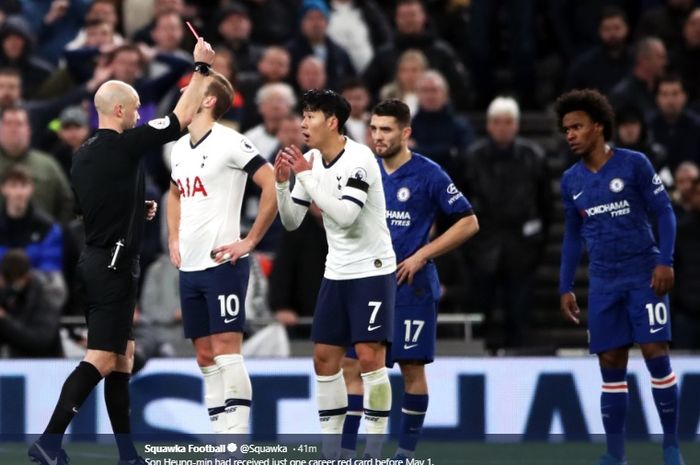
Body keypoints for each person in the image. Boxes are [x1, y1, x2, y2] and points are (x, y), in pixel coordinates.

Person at [28, 37, 215, 465]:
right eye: (132, 109)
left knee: (123, 357)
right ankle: (49, 441)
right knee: (101, 357)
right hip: (113, 264)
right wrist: (201, 68)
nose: (137, 115)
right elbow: (182, 116)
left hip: (101, 259)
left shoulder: (84, 154)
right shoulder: (124, 144)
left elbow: (97, 205)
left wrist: (136, 209)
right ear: (118, 111)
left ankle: (127, 454)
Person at [340, 100, 479, 459]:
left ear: (406, 133)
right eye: (373, 128)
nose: (377, 136)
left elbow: (469, 221)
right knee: (353, 364)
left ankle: (405, 452)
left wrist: (423, 254)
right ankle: (349, 450)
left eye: (386, 129)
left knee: (411, 367)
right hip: (368, 282)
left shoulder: (429, 173)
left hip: (411, 286)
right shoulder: (363, 168)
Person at [556, 89, 685, 465]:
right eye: (566, 129)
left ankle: (671, 446)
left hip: (643, 273)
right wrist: (565, 285)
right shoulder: (570, 180)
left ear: (598, 127)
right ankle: (615, 454)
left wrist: (665, 260)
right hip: (603, 282)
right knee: (610, 362)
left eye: (577, 127)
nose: (570, 135)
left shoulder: (635, 164)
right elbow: (571, 236)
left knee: (654, 354)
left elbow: (665, 213)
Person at [274, 89, 396, 459]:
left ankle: (373, 450)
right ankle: (333, 452)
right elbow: (292, 221)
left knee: (369, 357)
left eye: (310, 116)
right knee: (325, 358)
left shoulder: (360, 159)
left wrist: (307, 179)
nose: (303, 123)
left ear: (332, 122)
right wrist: (283, 184)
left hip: (372, 269)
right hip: (337, 271)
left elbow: (345, 215)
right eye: (303, 115)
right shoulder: (310, 160)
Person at [167, 69, 277, 435]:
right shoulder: (179, 147)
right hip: (191, 267)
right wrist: (172, 238)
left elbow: (271, 184)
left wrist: (250, 241)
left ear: (209, 99)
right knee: (204, 357)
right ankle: (220, 440)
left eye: (194, 88)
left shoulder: (231, 142)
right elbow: (174, 193)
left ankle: (236, 444)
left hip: (222, 264)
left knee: (228, 352)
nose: (185, 92)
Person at [464, 96, 551, 349]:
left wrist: (536, 243)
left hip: (522, 247)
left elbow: (545, 205)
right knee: (481, 313)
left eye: (508, 122)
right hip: (483, 244)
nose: (502, 127)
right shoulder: (472, 157)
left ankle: (518, 364)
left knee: (520, 314)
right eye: (497, 122)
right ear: (489, 125)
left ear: (516, 125)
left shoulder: (534, 156)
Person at [0, 248, 63, 358]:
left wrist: (5, 320)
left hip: (44, 364)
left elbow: (40, 340)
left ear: (26, 276)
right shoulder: (8, 293)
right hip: (12, 363)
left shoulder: (45, 297)